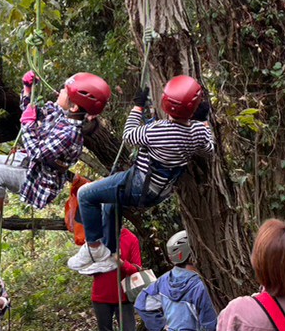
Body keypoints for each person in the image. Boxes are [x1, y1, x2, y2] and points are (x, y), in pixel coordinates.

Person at [68, 76, 214, 276]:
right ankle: (108, 254)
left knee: (85, 194)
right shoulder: (198, 132)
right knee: (110, 203)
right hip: (159, 192)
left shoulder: (159, 130)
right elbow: (209, 149)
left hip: (138, 185)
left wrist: (137, 107)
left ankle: (93, 249)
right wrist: (204, 120)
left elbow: (129, 135)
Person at [0, 70, 110, 237]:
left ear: (74, 106)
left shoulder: (71, 135)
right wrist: (27, 91)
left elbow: (38, 152)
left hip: (38, 182)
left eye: (65, 91)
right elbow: (31, 113)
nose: (60, 91)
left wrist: (27, 126)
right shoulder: (60, 113)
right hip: (30, 166)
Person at [91, 224, 147, 331]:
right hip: (101, 296)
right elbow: (88, 262)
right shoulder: (99, 237)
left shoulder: (131, 238)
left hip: (123, 297)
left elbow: (137, 269)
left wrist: (121, 263)